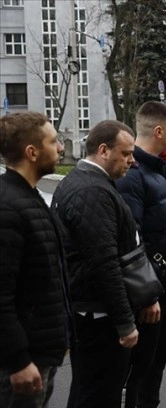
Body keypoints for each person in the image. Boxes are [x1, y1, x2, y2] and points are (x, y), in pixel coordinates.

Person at [52, 120, 141, 408]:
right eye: (126, 153)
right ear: (103, 150)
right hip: (97, 316)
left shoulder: (85, 182)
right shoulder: (93, 192)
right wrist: (125, 323)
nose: (131, 160)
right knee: (97, 394)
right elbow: (105, 262)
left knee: (90, 390)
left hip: (92, 310)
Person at [115, 101, 166, 408]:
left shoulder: (161, 168)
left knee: (157, 360)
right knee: (141, 366)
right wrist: (147, 296)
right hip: (151, 293)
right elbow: (132, 240)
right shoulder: (133, 174)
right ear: (159, 131)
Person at [0, 112, 70, 408]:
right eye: (53, 142)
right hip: (22, 361)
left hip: (40, 351)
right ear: (32, 152)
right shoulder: (8, 208)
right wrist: (18, 361)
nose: (61, 148)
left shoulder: (29, 197)